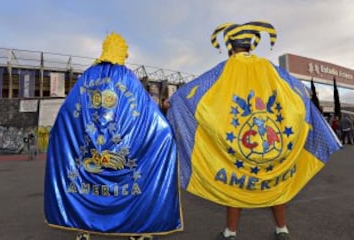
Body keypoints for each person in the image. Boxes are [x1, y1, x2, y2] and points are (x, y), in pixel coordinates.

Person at [167, 21, 341, 240]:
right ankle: (282, 229)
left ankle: (231, 232)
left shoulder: (223, 69)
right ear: (251, 46)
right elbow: (300, 93)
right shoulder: (270, 68)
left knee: (235, 187)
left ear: (230, 46)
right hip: (273, 140)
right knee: (277, 183)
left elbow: (192, 93)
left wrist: (174, 100)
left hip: (238, 141)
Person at [44, 32, 182, 240]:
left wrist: (61, 135)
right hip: (121, 149)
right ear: (122, 53)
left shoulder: (88, 76)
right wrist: (165, 134)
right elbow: (149, 115)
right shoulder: (128, 78)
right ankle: (136, 229)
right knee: (132, 186)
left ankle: (84, 228)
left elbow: (68, 111)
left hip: (90, 145)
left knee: (85, 185)